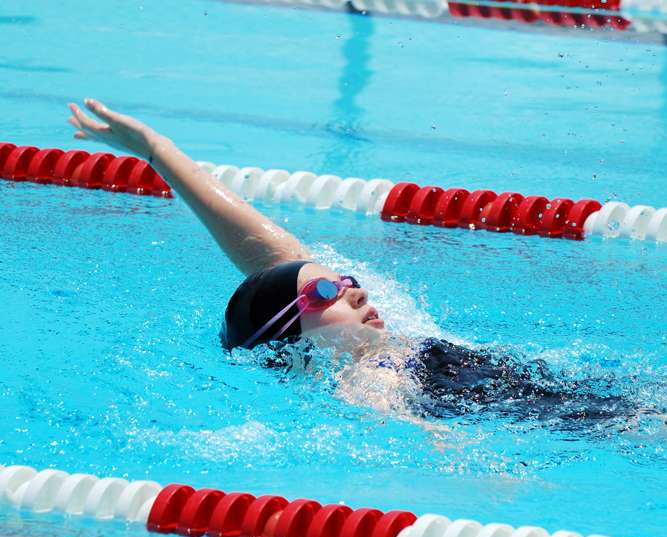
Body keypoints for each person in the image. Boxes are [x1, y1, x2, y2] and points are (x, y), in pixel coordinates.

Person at [67, 99, 644, 435]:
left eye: (345, 282)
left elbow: (262, 248)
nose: (351, 289)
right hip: (597, 419)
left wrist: (156, 150)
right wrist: (458, 459)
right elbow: (398, 427)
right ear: (286, 341)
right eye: (325, 291)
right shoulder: (366, 375)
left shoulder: (353, 344)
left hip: (585, 396)